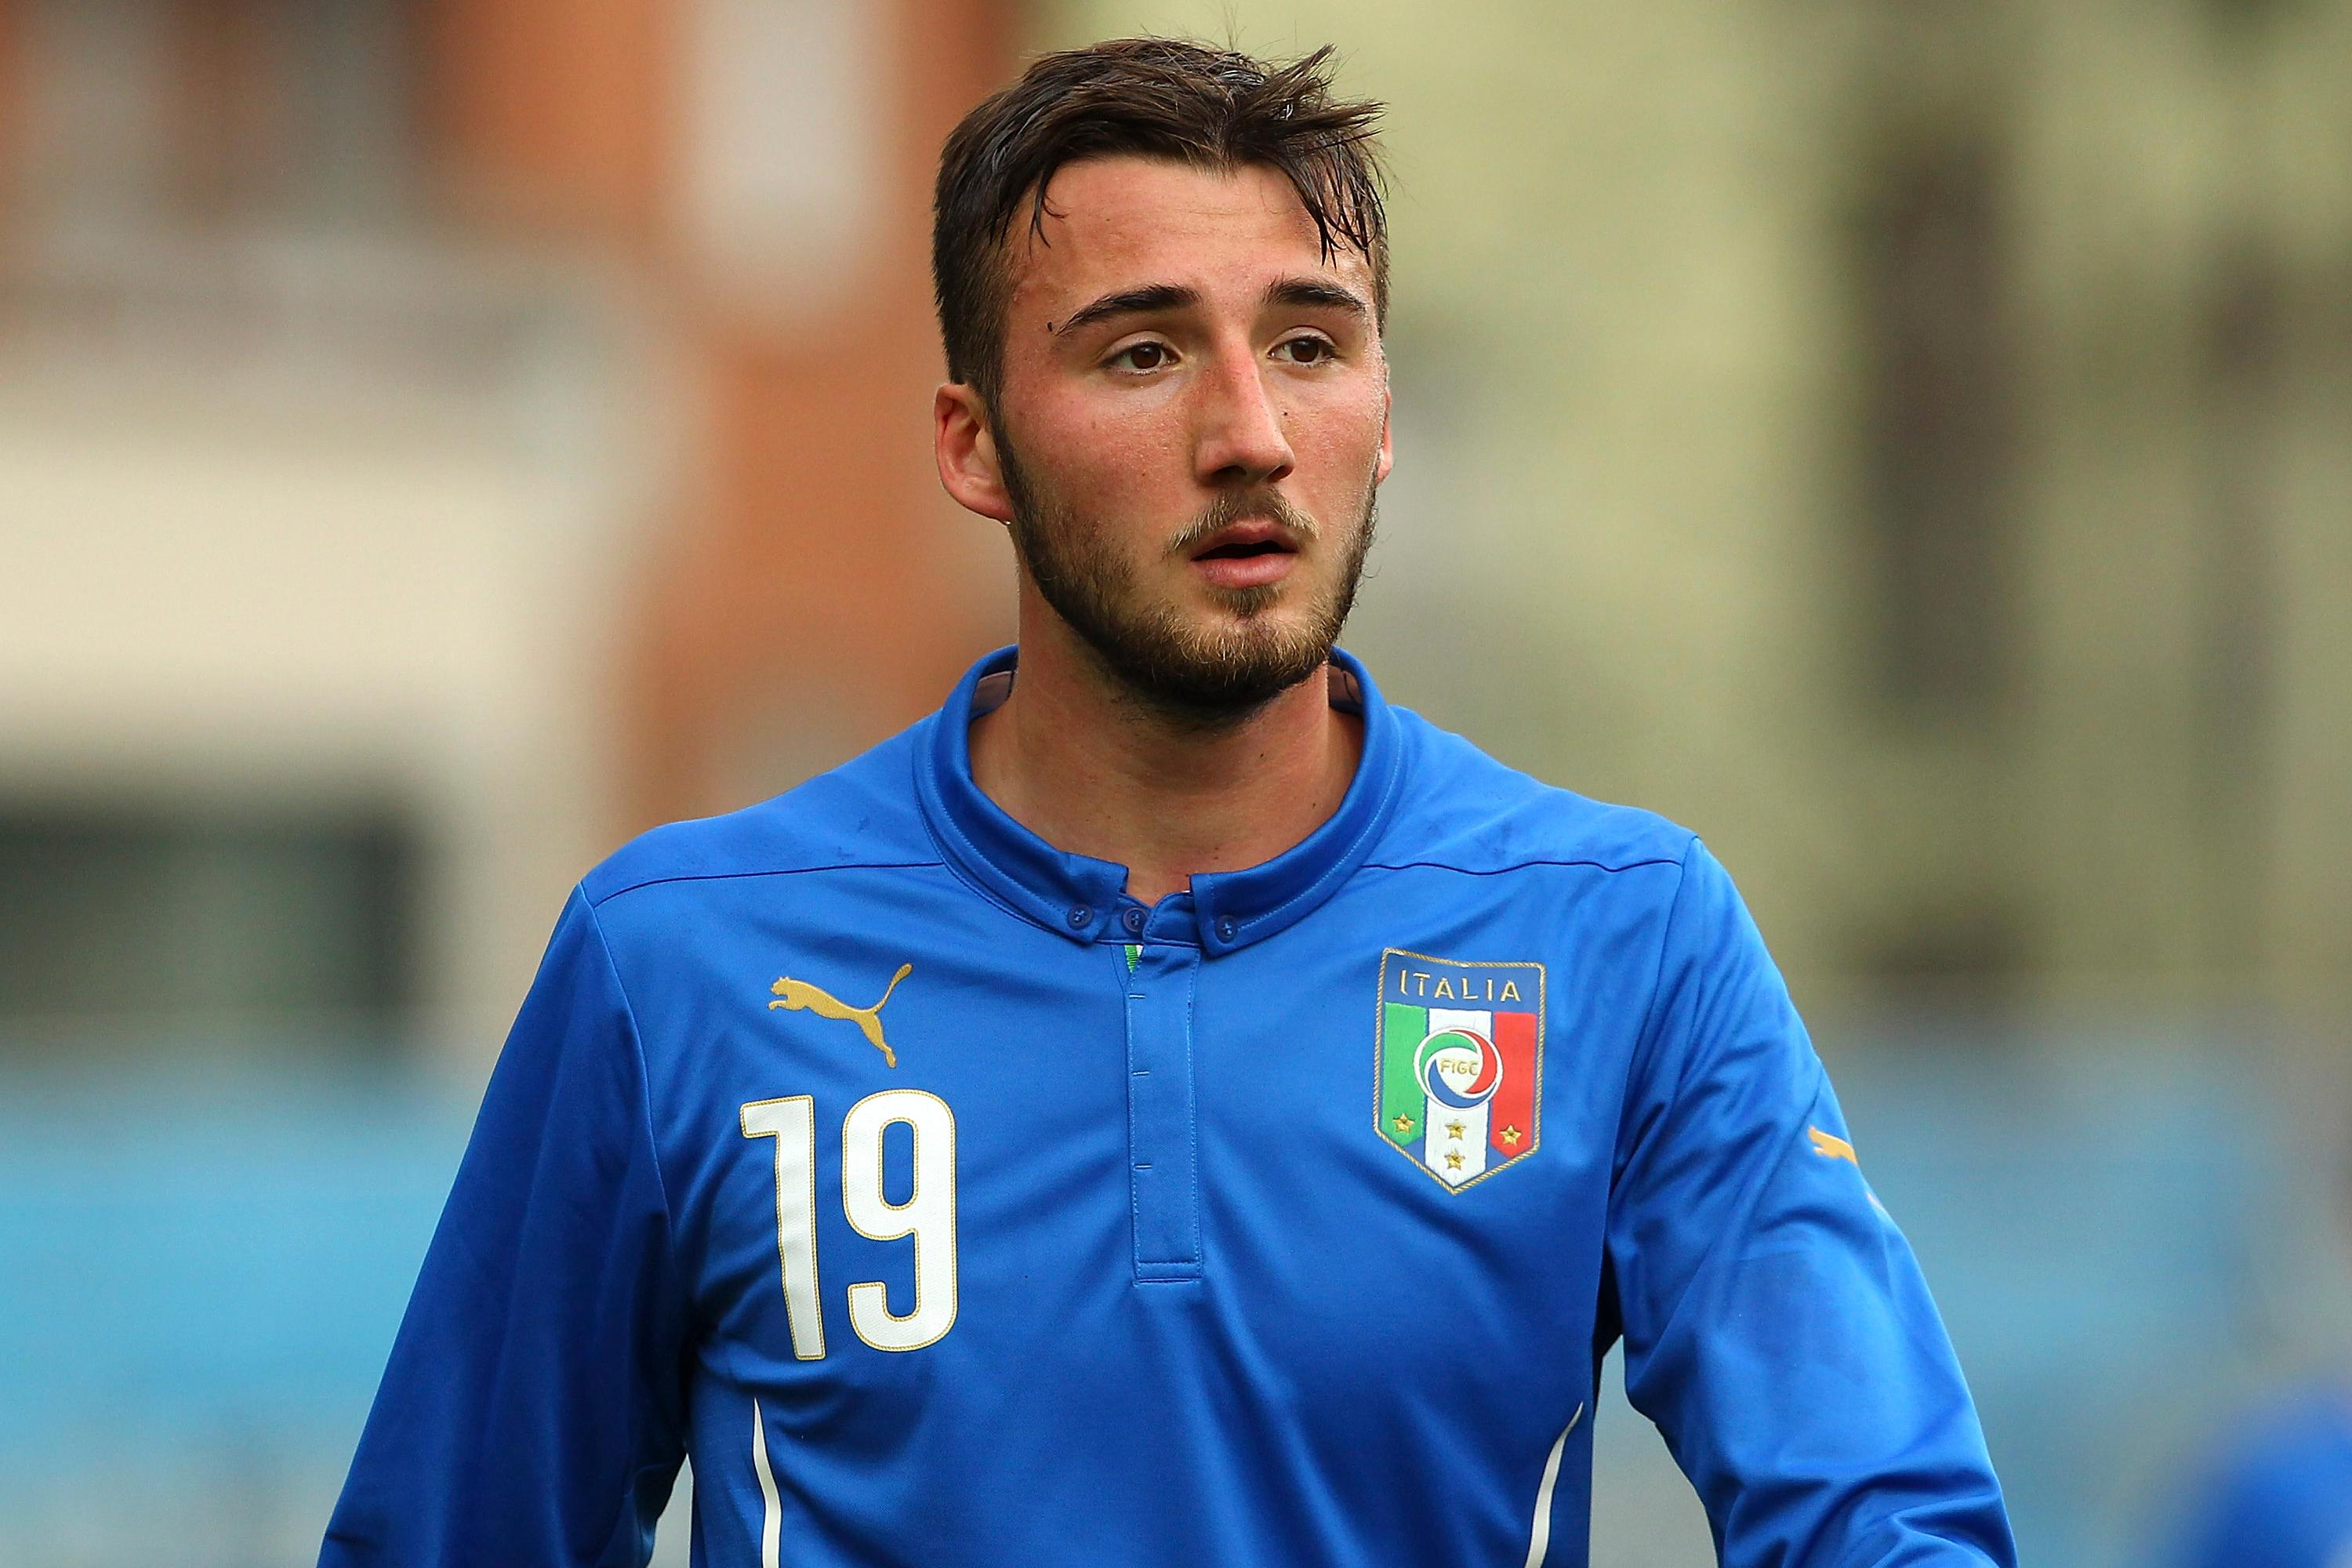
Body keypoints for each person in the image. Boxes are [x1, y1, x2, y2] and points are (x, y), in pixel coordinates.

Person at [321, 38, 2015, 1567]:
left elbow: (1886, 1520)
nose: (1252, 433)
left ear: (1386, 412)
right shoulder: (676, 959)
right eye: (1143, 354)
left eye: (1309, 343)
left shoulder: (1621, 931)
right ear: (974, 446)